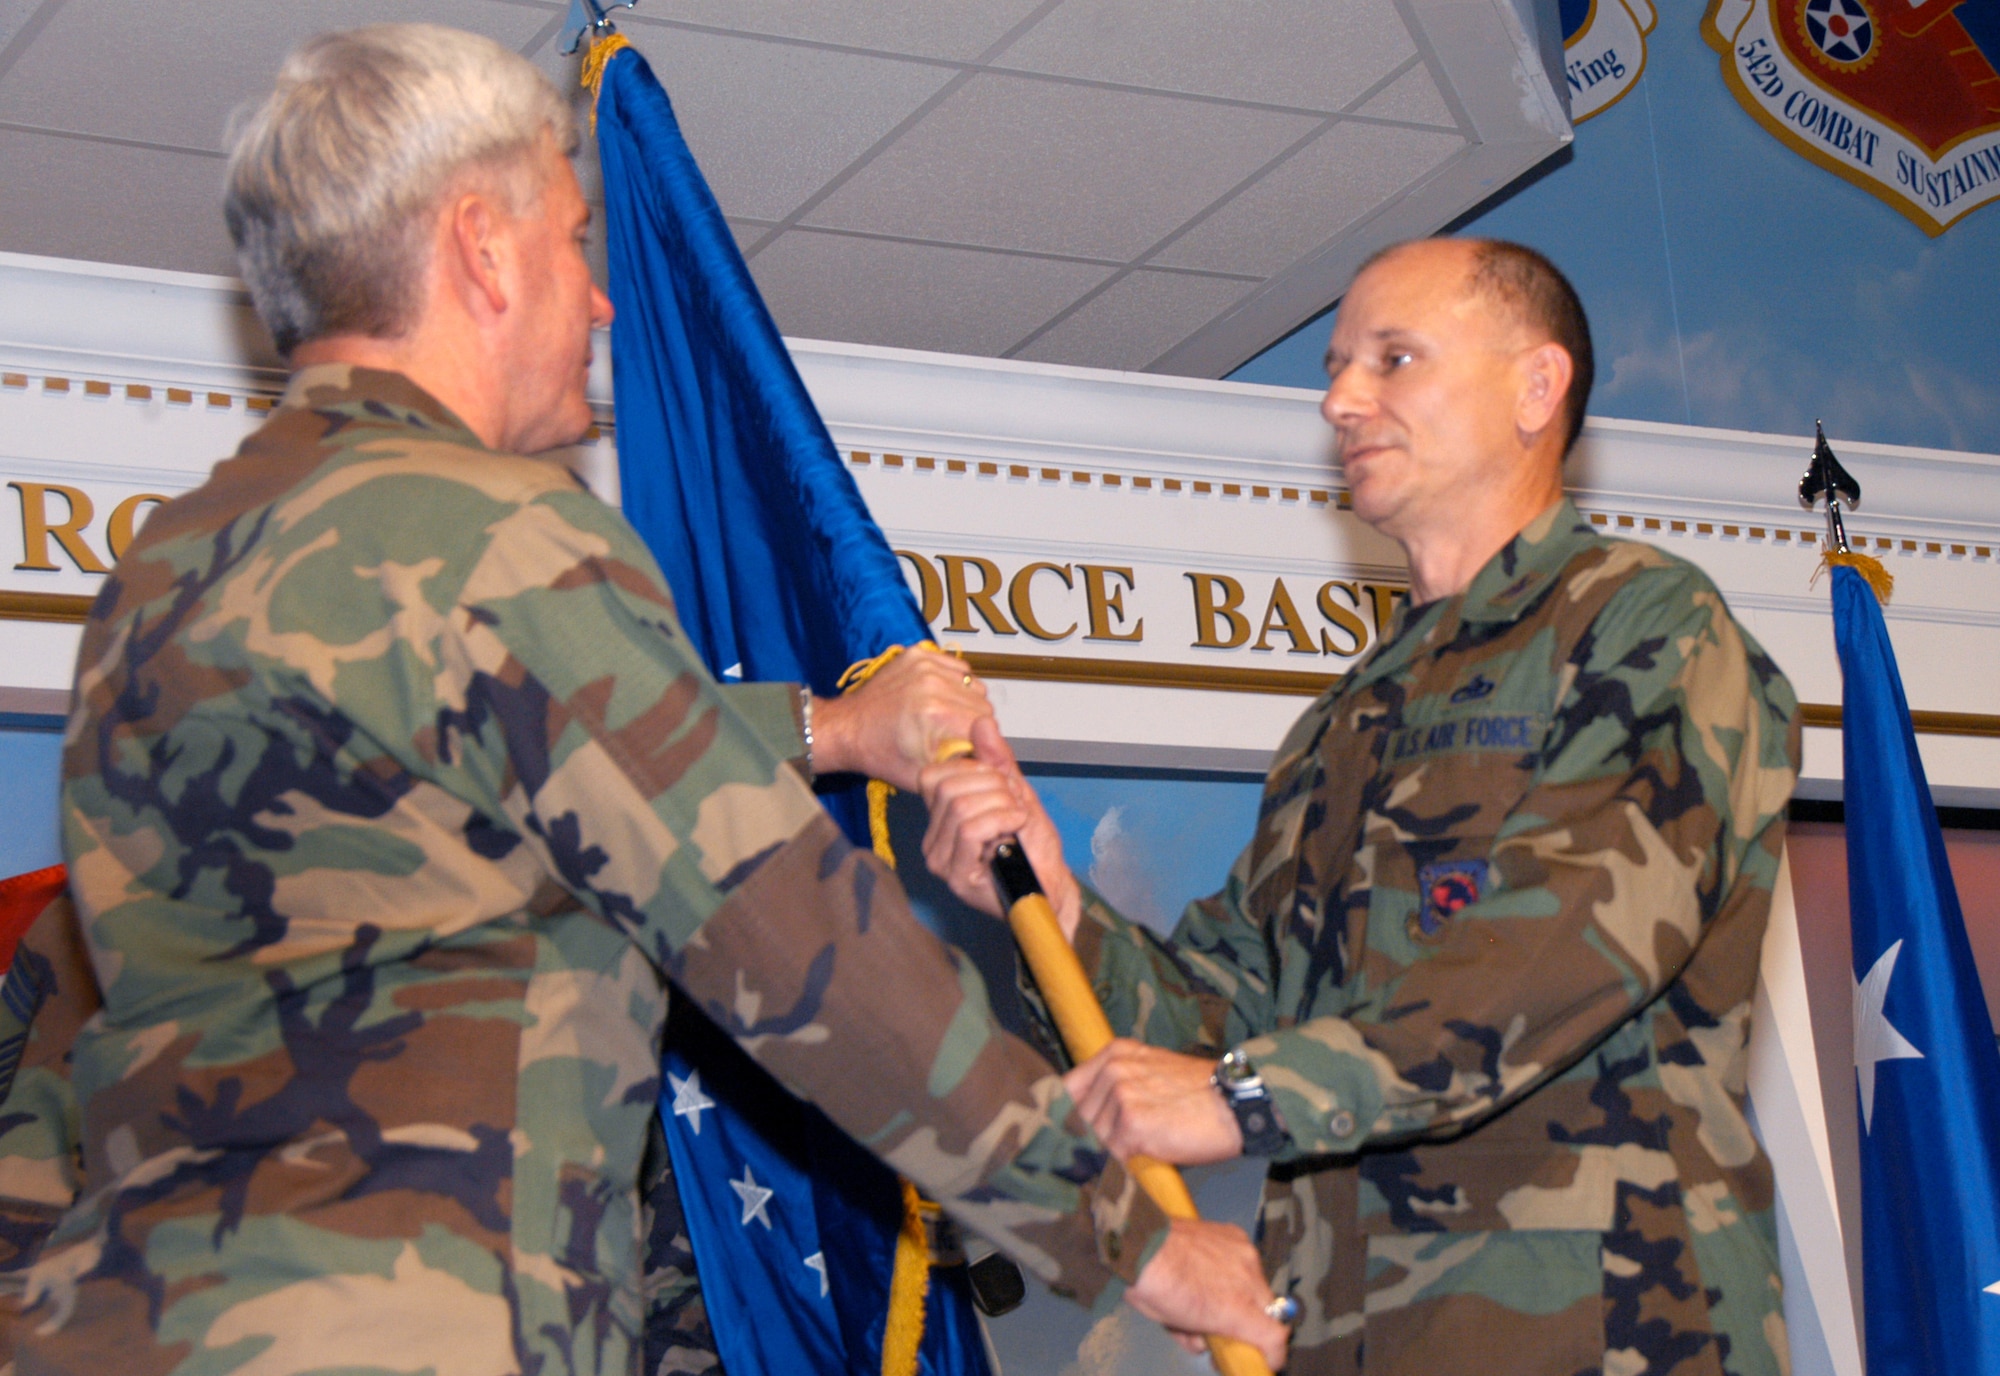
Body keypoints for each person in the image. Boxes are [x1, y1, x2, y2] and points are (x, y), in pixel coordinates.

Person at [5, 24, 1288, 1374]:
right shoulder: (497, 533)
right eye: (573, 242)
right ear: (483, 252)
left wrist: (835, 730)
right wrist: (1130, 1237)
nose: (602, 300)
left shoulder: (162, 578)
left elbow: (484, 784)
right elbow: (789, 934)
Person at [922, 237, 1802, 1376]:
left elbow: (1554, 948)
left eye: (1392, 358)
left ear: (1536, 387)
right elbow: (1223, 1003)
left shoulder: (1644, 627)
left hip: (1602, 1327)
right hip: (1343, 1333)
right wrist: (1057, 906)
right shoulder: (1342, 721)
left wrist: (1243, 1096)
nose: (1339, 398)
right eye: (1337, 366)